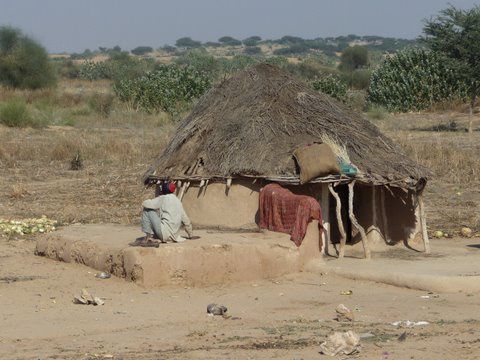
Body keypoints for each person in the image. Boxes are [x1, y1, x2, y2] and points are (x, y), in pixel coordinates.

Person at [139, 182, 193, 246]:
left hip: (164, 235)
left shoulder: (163, 198)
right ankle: (158, 237)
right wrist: (190, 234)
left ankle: (147, 237)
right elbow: (186, 220)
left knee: (147, 209)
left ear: (164, 190)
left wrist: (146, 201)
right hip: (174, 237)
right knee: (161, 218)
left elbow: (146, 204)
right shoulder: (178, 201)